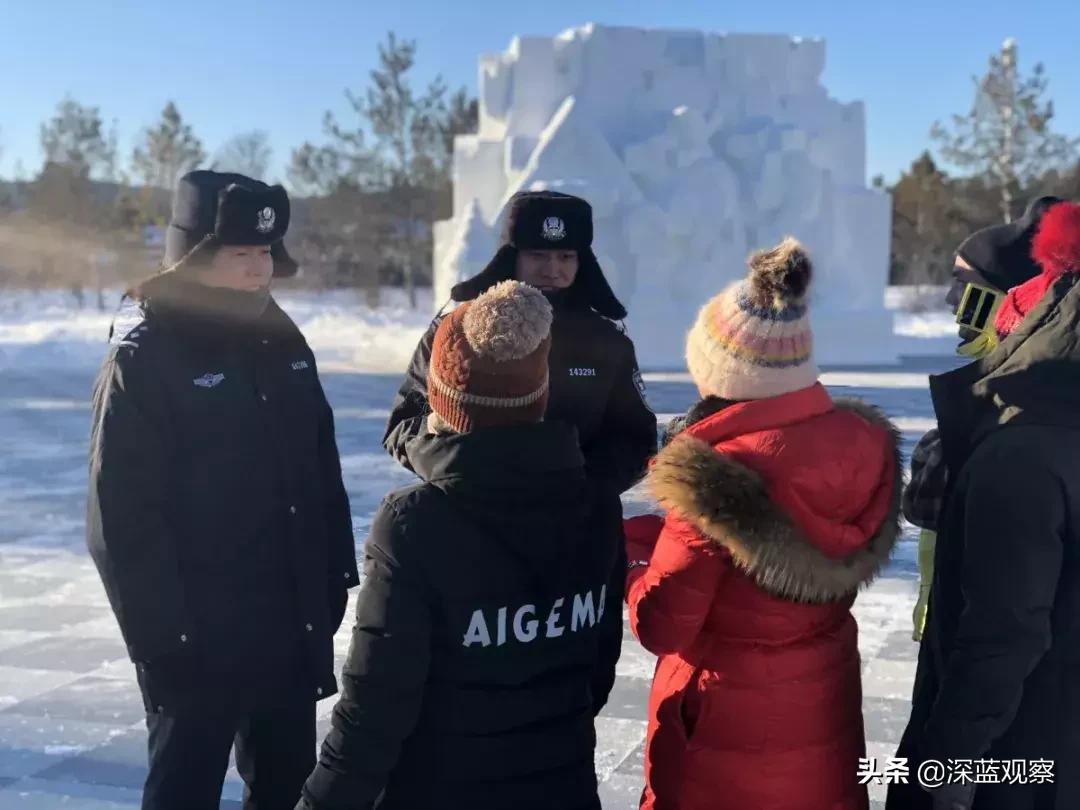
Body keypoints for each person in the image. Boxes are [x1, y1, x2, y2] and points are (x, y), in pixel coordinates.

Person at [86, 170, 358, 810]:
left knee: (289, 789)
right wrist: (162, 642)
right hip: (194, 637)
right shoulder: (146, 352)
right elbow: (119, 517)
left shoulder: (280, 333)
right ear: (194, 258)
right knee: (183, 791)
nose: (259, 269)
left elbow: (320, 469)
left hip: (286, 622)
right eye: (241, 255)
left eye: (265, 253)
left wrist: (330, 580)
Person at [298, 281, 623, 810]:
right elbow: (596, 674)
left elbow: (375, 712)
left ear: (443, 401)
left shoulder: (415, 524)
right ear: (540, 394)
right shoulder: (597, 505)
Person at [623, 238, 902, 810]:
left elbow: (664, 626)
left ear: (721, 369)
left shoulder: (716, 480)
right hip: (822, 703)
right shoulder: (863, 447)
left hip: (723, 737)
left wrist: (633, 561)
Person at [888, 201, 1080, 810]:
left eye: (965, 284)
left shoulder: (1023, 444)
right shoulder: (1018, 415)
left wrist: (940, 770)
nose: (952, 301)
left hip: (1014, 744)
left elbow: (1006, 631)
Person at [384, 189, 657, 497]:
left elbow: (636, 438)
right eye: (537, 255)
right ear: (512, 256)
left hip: (575, 524)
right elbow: (405, 425)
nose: (552, 269)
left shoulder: (608, 342)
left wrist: (582, 489)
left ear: (583, 261)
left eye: (565, 256)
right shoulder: (456, 330)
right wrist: (461, 472)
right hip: (466, 517)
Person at [906, 196, 1062, 641]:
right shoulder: (987, 388)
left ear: (1005, 293)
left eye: (963, 282)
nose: (952, 300)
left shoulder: (1025, 401)